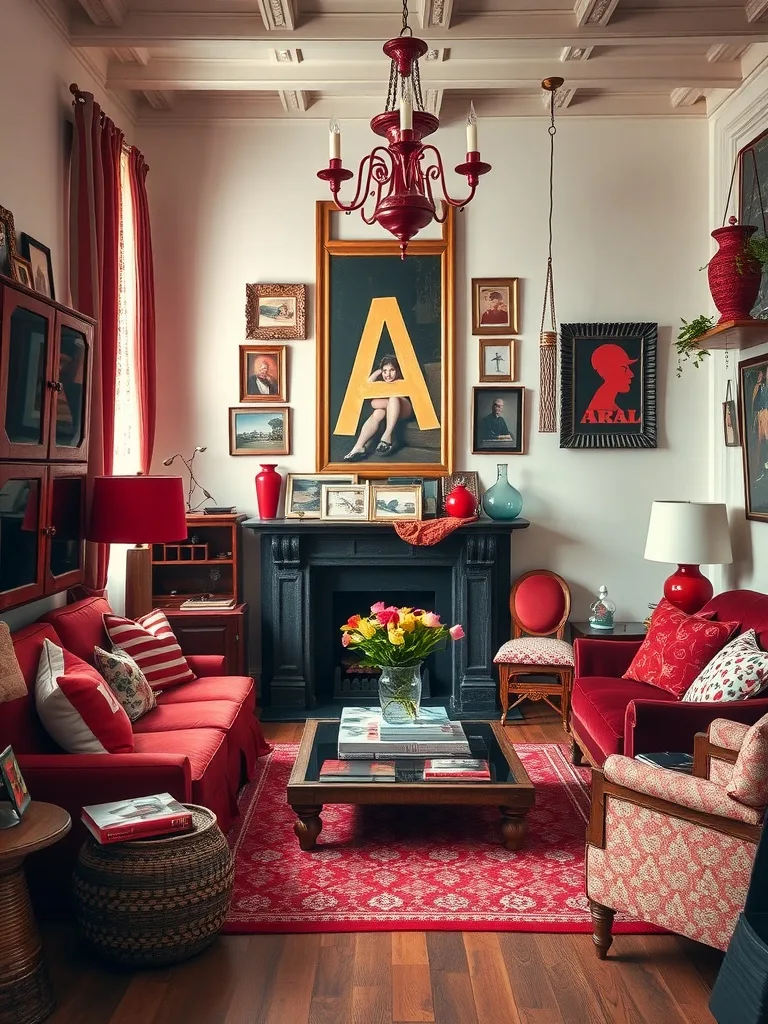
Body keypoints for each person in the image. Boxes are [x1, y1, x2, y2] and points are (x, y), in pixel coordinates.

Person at [343, 355, 413, 461]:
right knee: (378, 412)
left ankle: (387, 435)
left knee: (393, 398)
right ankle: (358, 447)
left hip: (405, 409)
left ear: (397, 370)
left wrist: (384, 402)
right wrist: (377, 372)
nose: (388, 374)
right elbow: (373, 402)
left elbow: (377, 402)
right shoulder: (381, 383)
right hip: (390, 410)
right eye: (385, 371)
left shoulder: (403, 379)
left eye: (392, 370)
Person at [584, 343, 636, 415]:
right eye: (624, 369)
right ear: (607, 371)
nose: (631, 374)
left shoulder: (611, 408)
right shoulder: (598, 409)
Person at [752, 368, 768, 482]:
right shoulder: (761, 387)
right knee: (761, 445)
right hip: (762, 416)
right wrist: (758, 383)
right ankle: (762, 469)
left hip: (765, 416)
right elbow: (755, 405)